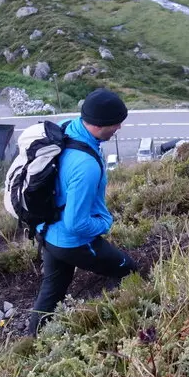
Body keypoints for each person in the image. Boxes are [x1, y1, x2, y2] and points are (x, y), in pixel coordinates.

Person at [27, 89, 142, 336]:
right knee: (129, 270)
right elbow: (76, 224)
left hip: (46, 230)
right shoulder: (85, 166)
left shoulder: (65, 128)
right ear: (100, 125)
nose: (119, 127)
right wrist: (105, 224)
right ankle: (119, 320)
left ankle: (31, 341)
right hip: (72, 241)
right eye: (116, 123)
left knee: (52, 292)